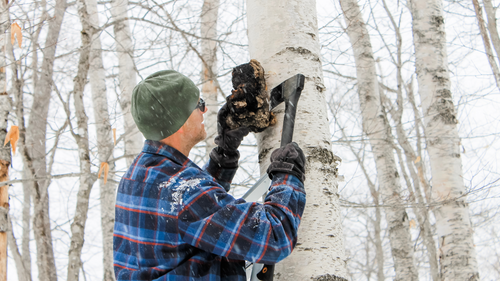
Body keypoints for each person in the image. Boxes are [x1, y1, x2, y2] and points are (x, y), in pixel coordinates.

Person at [113, 70, 307, 280]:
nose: (204, 110)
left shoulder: (137, 177)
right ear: (180, 122)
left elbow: (192, 213)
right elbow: (275, 237)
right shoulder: (184, 193)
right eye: (199, 104)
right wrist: (288, 174)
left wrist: (225, 154)